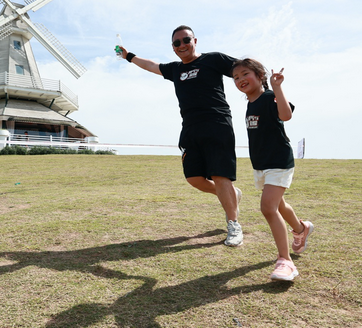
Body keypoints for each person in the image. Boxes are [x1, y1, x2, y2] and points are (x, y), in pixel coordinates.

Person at [119, 25, 243, 247]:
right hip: (190, 129)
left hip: (217, 124)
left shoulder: (213, 59)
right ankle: (231, 195)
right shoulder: (175, 69)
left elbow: (243, 68)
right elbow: (152, 66)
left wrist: (264, 88)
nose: (182, 45)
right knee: (194, 178)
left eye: (186, 40)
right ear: (173, 48)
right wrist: (128, 56)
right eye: (177, 43)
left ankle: (233, 224)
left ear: (195, 40)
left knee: (220, 175)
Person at [231, 58, 313, 281]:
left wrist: (277, 87)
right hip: (261, 164)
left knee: (268, 207)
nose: (240, 79)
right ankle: (300, 228)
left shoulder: (269, 96)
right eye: (236, 77)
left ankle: (285, 261)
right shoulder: (250, 104)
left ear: (259, 76)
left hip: (278, 161)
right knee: (278, 204)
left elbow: (286, 115)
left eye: (245, 74)